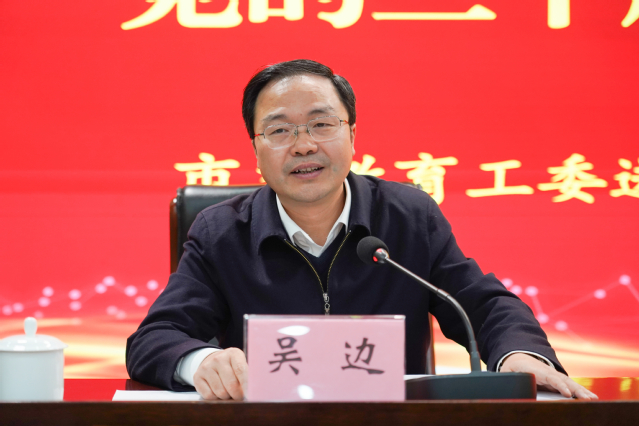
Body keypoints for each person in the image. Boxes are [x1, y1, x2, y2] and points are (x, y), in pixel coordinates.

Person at [126, 59, 597, 401]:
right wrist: (203, 362)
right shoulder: (221, 231)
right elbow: (156, 337)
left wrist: (520, 356)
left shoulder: (409, 216)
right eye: (280, 131)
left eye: (321, 124)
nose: (304, 145)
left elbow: (483, 305)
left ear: (352, 135)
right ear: (256, 149)